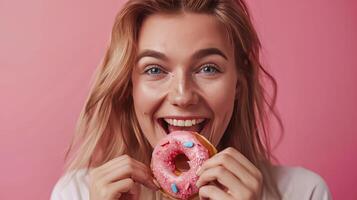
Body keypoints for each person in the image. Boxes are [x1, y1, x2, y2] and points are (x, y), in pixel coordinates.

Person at [51, 0, 332, 199]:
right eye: (155, 70)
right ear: (130, 86)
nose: (183, 96)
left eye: (208, 68)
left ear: (238, 83)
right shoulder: (78, 193)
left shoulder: (303, 192)